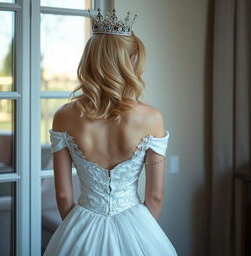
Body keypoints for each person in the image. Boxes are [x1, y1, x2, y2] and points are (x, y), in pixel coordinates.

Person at [43, 8, 178, 256]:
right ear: (130, 60)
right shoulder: (152, 118)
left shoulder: (64, 116)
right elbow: (156, 196)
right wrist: (143, 234)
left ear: (90, 60)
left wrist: (77, 232)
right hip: (137, 221)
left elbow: (63, 195)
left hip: (82, 223)